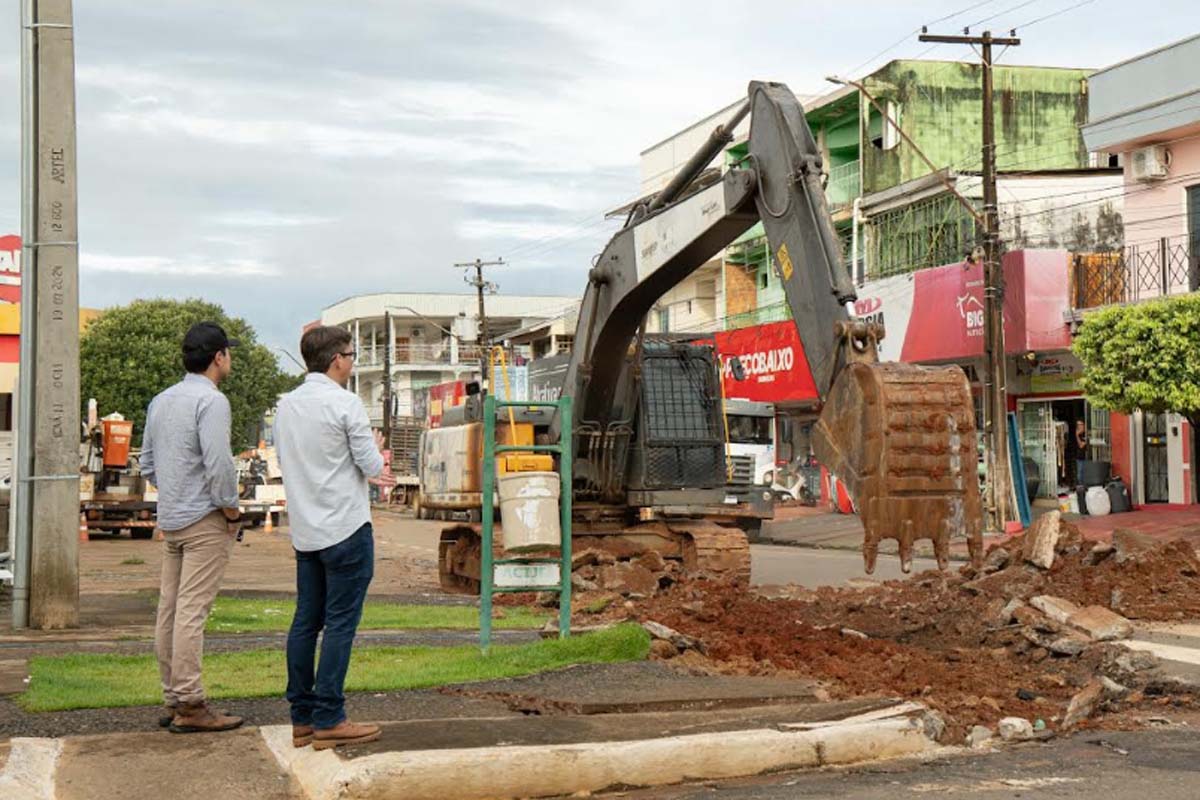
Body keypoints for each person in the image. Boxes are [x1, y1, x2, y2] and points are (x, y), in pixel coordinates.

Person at [274, 325, 384, 750]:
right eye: (352, 355)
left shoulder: (286, 406)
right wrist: (374, 445)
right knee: (340, 624)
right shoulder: (346, 403)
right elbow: (371, 464)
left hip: (307, 531)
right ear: (337, 358)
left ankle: (301, 717)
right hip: (347, 527)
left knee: (306, 622)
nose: (353, 362)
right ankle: (330, 716)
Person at [141, 321, 244, 733]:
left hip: (172, 517)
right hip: (205, 519)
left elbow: (147, 463)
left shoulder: (162, 400)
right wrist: (231, 510)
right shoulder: (212, 401)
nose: (229, 358)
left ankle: (173, 695)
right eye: (228, 352)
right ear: (218, 357)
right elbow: (219, 463)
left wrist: (176, 490)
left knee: (169, 610)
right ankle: (191, 702)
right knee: (191, 612)